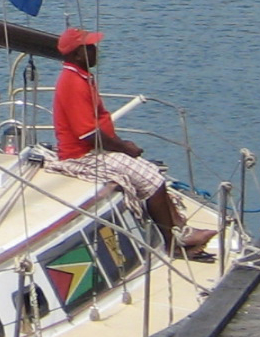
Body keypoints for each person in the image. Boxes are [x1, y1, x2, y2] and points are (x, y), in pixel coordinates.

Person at [48, 27, 217, 260]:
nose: (96, 51)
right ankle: (173, 244)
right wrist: (124, 147)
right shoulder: (73, 83)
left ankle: (181, 229)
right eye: (90, 48)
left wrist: (121, 145)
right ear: (77, 54)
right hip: (82, 155)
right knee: (150, 179)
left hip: (96, 150)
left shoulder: (81, 77)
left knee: (151, 171)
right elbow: (87, 134)